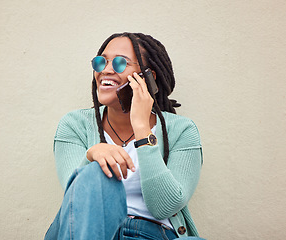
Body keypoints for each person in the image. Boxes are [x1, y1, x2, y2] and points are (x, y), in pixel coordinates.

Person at [45, 32, 204, 240]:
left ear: (148, 77)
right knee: (93, 175)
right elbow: (76, 205)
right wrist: (92, 154)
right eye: (101, 62)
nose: (106, 70)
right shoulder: (74, 125)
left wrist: (141, 129)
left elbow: (165, 207)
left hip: (152, 234)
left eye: (120, 63)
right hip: (94, 232)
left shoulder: (182, 130)